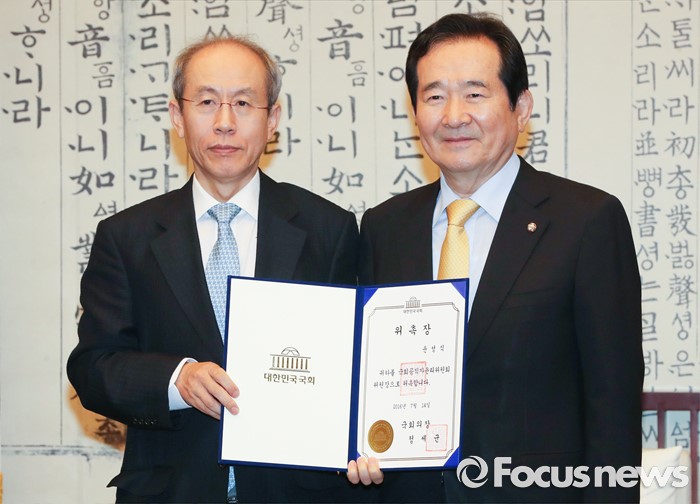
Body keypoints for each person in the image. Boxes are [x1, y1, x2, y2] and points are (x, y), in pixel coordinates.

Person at [348, 12, 643, 503]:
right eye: (434, 96)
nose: (453, 115)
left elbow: (613, 404)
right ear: (415, 112)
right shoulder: (384, 227)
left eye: (475, 94)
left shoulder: (586, 221)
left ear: (520, 107)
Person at [67, 35, 361, 503]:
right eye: (206, 102)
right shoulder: (126, 237)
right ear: (177, 117)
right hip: (170, 491)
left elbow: (353, 364)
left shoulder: (329, 230)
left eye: (243, 103)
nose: (225, 122)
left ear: (273, 119)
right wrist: (175, 379)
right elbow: (93, 368)